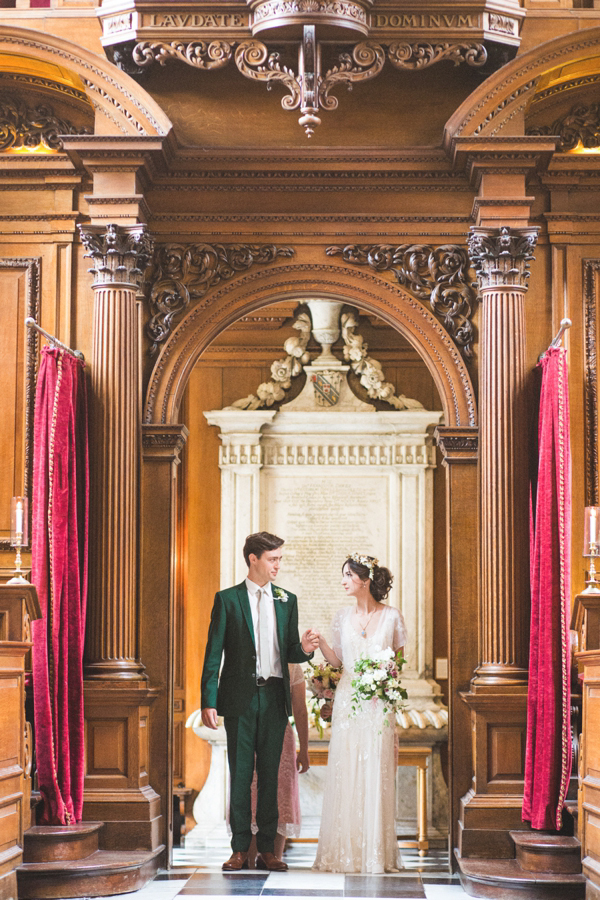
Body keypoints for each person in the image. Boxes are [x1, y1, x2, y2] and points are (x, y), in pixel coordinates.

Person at [201, 531, 318, 873]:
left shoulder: (287, 600)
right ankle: (239, 850)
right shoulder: (227, 600)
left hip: (274, 698)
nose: (278, 565)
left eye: (280, 558)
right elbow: (213, 655)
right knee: (240, 776)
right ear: (253, 559)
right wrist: (209, 699)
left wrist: (306, 648)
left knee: (269, 776)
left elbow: (291, 651)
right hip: (239, 699)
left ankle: (267, 850)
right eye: (273, 559)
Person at [313, 553, 407, 874]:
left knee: (375, 771)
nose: (343, 581)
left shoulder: (392, 617)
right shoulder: (342, 617)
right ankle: (345, 852)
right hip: (348, 702)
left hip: (379, 704)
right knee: (346, 769)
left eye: (348, 575)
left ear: (364, 580)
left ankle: (375, 855)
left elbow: (399, 664)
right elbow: (338, 662)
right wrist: (322, 643)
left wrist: (386, 675)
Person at [246, 662, 309, 867]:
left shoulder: (292, 666)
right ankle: (247, 856)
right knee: (250, 792)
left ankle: (273, 856)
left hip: (281, 735)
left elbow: (300, 709)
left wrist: (304, 749)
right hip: (249, 732)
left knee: (280, 794)